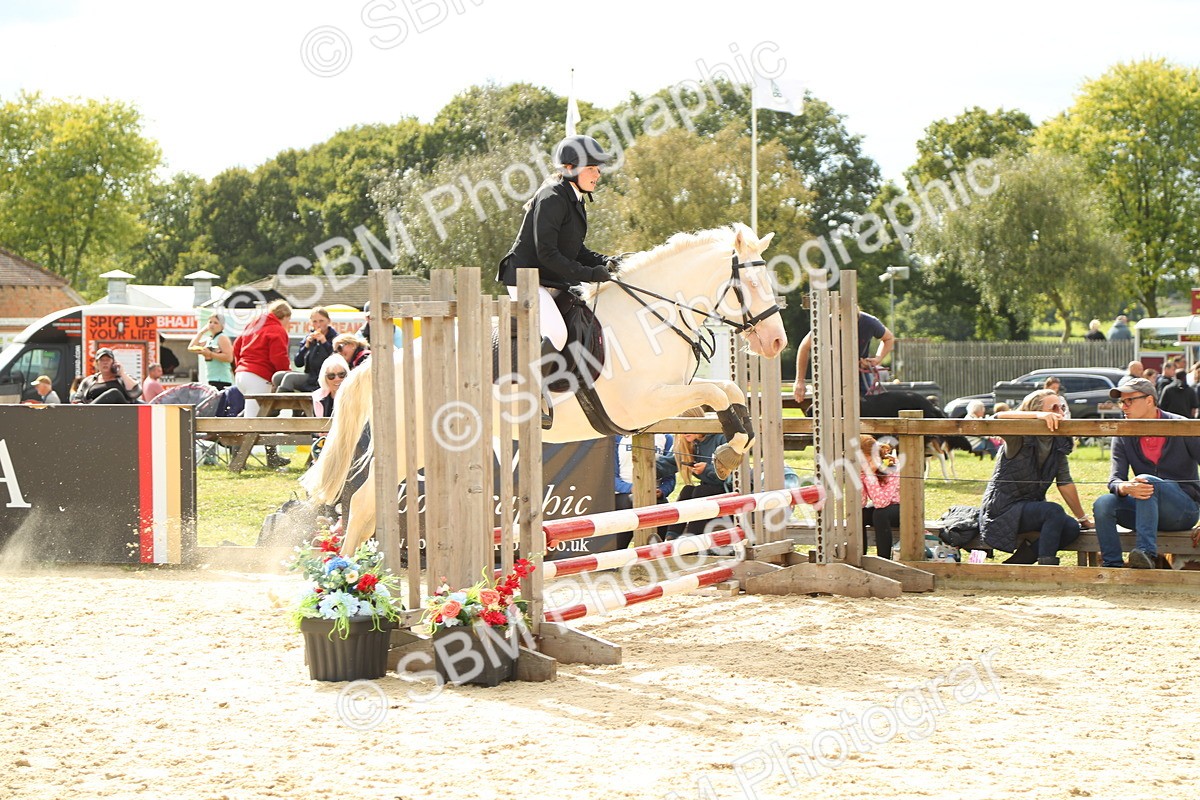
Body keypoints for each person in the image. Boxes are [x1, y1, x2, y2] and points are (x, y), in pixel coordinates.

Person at [496, 135, 619, 426]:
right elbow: (547, 253)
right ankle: (530, 394)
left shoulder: (574, 199)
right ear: (569, 168)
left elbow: (576, 251)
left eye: (598, 169)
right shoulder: (552, 196)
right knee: (558, 333)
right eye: (592, 168)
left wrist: (605, 262)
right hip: (526, 278)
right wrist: (589, 275)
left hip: (550, 279)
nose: (598, 174)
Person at [1093, 376, 1200, 568]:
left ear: (1149, 400)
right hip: (1143, 510)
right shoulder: (1123, 434)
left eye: (1129, 401)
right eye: (1121, 402)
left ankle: (1146, 554)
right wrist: (1125, 487)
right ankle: (1112, 565)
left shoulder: (1181, 426)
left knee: (1145, 480)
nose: (1123, 407)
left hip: (1183, 511)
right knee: (1102, 503)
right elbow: (1115, 479)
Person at [980, 389, 1090, 565]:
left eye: (1061, 407)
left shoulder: (1058, 443)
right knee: (1053, 511)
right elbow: (997, 418)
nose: (1060, 412)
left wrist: (1083, 519)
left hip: (1030, 507)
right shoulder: (1019, 436)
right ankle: (1047, 567)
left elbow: (1065, 483)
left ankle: (1019, 562)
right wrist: (1038, 415)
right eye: (1053, 408)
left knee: (1070, 528)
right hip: (1003, 508)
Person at [232, 300, 293, 468]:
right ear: (285, 316)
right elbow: (278, 357)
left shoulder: (253, 324)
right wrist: (285, 375)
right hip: (258, 376)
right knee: (254, 422)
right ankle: (238, 460)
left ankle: (270, 457)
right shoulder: (277, 329)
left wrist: (240, 367)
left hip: (242, 374)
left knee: (262, 415)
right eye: (289, 319)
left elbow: (236, 347)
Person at [660, 409, 734, 540]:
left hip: (728, 492)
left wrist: (707, 470)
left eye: (687, 428)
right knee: (687, 490)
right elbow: (668, 463)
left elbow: (730, 476)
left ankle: (693, 539)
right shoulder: (688, 444)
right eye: (680, 429)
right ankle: (671, 536)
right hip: (707, 493)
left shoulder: (721, 438)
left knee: (700, 491)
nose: (683, 433)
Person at [792, 310, 895, 403]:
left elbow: (889, 338)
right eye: (839, 319)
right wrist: (800, 381)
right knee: (827, 409)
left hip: (858, 374)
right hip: (830, 374)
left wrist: (878, 358)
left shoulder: (870, 322)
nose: (843, 325)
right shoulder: (825, 324)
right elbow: (804, 347)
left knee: (864, 408)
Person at [858, 434, 900, 559]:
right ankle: (860, 557)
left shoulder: (892, 468)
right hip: (884, 507)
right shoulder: (863, 470)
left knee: (880, 513)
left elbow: (882, 502)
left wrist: (870, 474)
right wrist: (861, 477)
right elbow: (861, 502)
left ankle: (883, 559)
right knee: (861, 514)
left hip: (903, 509)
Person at [614, 433, 677, 510]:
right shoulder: (616, 438)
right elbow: (612, 478)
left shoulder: (666, 438)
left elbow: (670, 477)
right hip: (624, 494)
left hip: (653, 493)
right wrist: (632, 488)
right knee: (634, 502)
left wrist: (662, 491)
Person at [282, 307, 337, 392]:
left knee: (289, 378)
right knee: (277, 376)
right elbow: (298, 363)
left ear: (328, 321)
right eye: (315, 321)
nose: (318, 324)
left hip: (325, 377)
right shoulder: (309, 338)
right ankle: (282, 403)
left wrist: (324, 342)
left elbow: (336, 359)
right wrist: (306, 347)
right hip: (310, 375)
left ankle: (283, 404)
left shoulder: (335, 338)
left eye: (321, 321)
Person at [308, 354, 349, 464]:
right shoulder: (318, 398)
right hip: (327, 444)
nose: (337, 379)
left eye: (341, 375)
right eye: (331, 376)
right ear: (324, 378)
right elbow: (314, 429)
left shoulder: (354, 396)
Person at [71, 348, 141, 405]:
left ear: (113, 362)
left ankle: (89, 410)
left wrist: (122, 373)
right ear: (96, 363)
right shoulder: (88, 381)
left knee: (114, 393)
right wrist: (80, 405)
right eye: (102, 360)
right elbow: (76, 400)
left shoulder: (122, 378)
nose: (105, 362)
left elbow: (136, 392)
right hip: (96, 415)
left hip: (120, 414)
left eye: (108, 360)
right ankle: (89, 411)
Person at [188, 312, 234, 390]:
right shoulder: (209, 339)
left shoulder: (222, 338)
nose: (212, 325)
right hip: (211, 378)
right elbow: (191, 347)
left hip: (221, 380)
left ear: (222, 326)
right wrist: (201, 332)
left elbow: (229, 358)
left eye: (215, 323)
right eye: (210, 322)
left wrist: (210, 354)